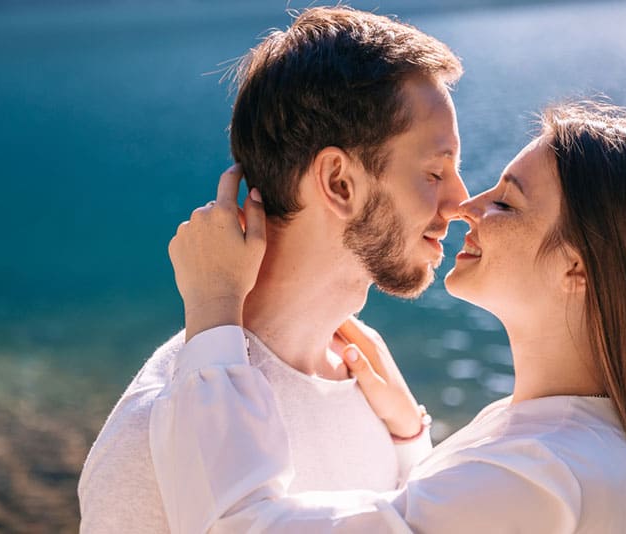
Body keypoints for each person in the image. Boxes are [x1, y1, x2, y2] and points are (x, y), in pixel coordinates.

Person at [152, 101, 626, 533]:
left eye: (506, 202)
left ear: (577, 268)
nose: (466, 206)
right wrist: (410, 442)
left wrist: (214, 309)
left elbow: (238, 526)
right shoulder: (596, 447)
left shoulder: (542, 472)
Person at [77, 7, 468, 533]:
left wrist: (410, 443)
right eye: (435, 172)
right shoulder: (152, 431)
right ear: (339, 183)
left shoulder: (372, 387)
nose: (461, 203)